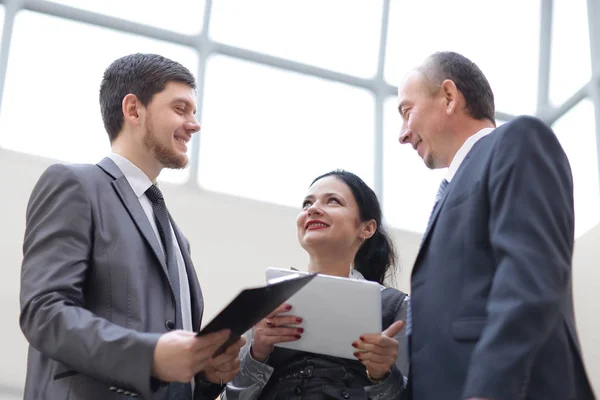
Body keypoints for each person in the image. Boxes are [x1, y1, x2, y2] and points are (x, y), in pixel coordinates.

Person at [19, 53, 244, 400]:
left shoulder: (176, 236)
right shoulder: (76, 185)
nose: (194, 124)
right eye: (181, 109)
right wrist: (149, 356)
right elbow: (44, 312)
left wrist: (203, 374)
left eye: (194, 112)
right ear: (134, 110)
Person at [396, 51, 595, 400]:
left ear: (448, 96)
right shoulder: (448, 192)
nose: (402, 134)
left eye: (406, 111)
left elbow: (530, 273)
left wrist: (490, 390)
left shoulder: (516, 141)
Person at [225, 170, 409, 400]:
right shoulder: (269, 302)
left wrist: (383, 375)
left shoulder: (396, 306)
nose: (312, 209)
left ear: (367, 228)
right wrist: (257, 353)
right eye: (307, 203)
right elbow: (231, 397)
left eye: (333, 201)